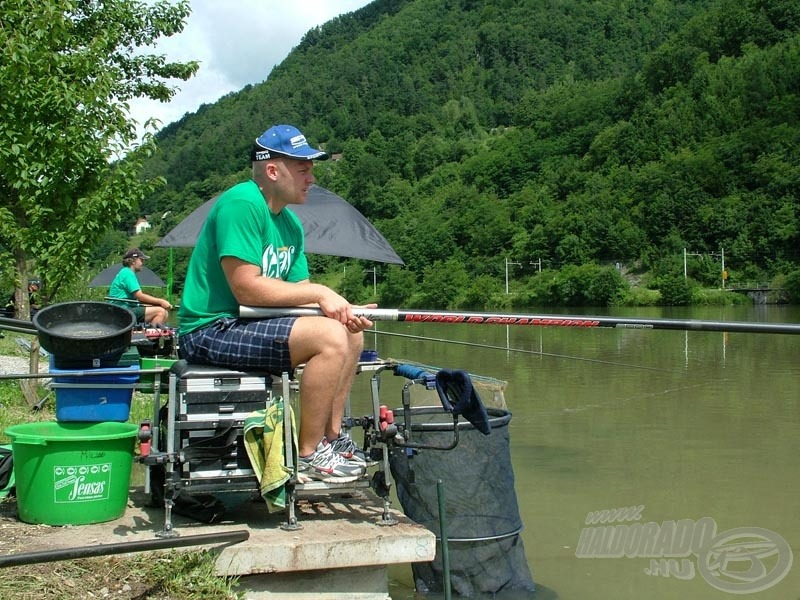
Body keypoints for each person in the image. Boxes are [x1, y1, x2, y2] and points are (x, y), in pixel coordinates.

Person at [178, 124, 373, 482]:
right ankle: (309, 454)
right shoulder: (242, 203)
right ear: (272, 170)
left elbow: (297, 294)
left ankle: (331, 438)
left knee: (348, 332)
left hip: (245, 323)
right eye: (303, 169)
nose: (311, 178)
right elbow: (247, 290)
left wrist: (341, 308)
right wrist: (320, 294)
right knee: (329, 339)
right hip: (210, 328)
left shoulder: (292, 227)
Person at [107, 248, 172, 324]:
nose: (143, 263)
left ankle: (150, 332)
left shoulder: (126, 272)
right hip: (121, 310)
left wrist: (157, 304)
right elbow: (140, 296)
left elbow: (137, 299)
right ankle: (151, 334)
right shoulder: (127, 273)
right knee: (160, 312)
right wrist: (161, 301)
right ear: (133, 261)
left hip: (126, 308)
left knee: (164, 312)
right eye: (141, 260)